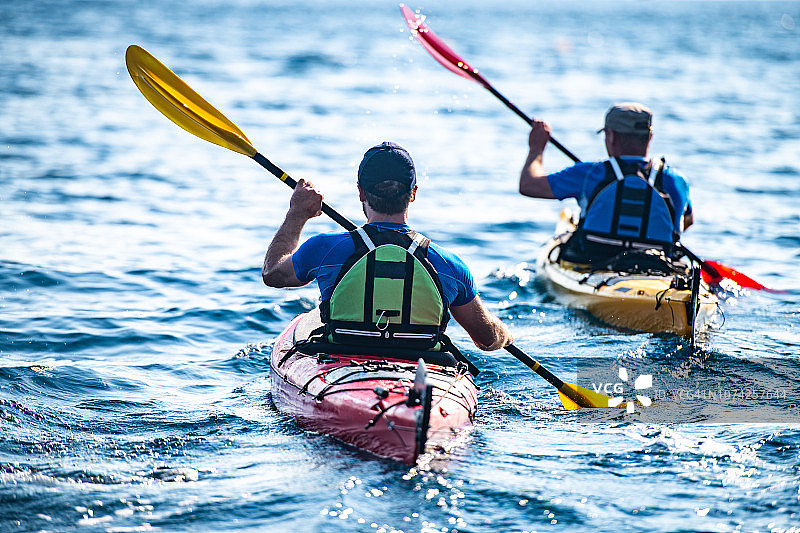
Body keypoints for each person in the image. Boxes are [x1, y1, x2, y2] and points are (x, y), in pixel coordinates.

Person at [262, 141, 512, 354]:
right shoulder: (449, 265)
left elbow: (272, 273)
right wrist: (505, 336)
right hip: (422, 371)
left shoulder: (323, 249)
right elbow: (487, 339)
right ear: (413, 193)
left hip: (341, 363)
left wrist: (297, 214)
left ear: (361, 192)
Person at [519, 102, 693, 264]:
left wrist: (536, 148)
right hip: (656, 266)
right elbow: (687, 220)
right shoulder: (676, 180)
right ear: (650, 137)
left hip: (594, 262)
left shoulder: (587, 174)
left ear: (611, 136)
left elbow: (529, 185)